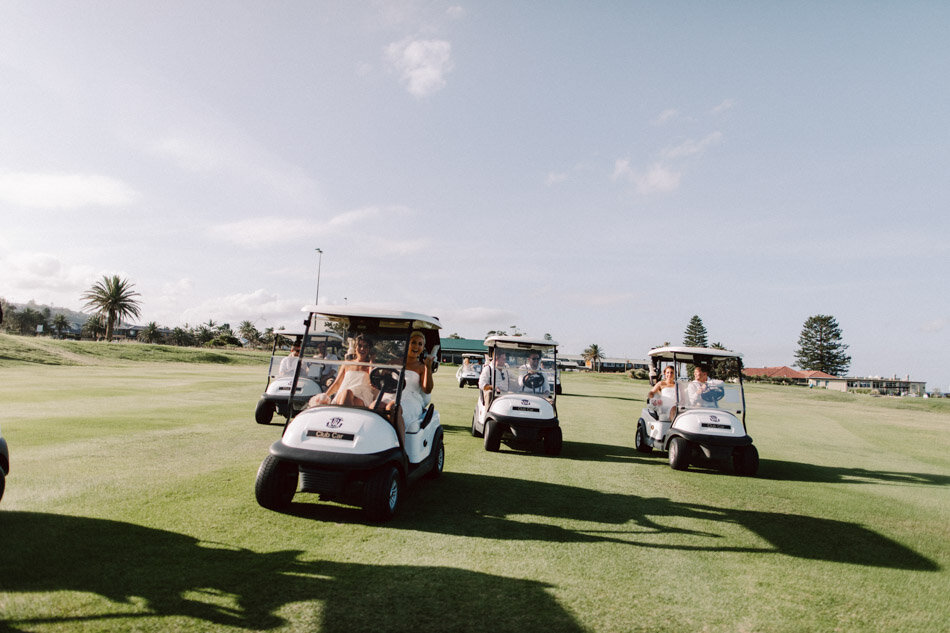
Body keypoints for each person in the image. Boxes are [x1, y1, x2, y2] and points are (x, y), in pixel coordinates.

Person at [385, 330, 435, 446]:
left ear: (423, 348)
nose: (416, 346)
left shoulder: (422, 367)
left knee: (393, 408)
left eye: (420, 344)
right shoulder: (392, 362)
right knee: (374, 407)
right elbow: (381, 381)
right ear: (407, 344)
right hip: (390, 395)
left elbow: (427, 389)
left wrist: (428, 367)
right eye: (413, 342)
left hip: (410, 400)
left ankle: (401, 450)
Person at [308, 334, 377, 408]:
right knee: (347, 393)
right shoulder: (347, 363)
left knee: (348, 394)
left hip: (361, 396)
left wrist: (372, 361)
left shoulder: (370, 366)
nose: (362, 349)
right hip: (344, 394)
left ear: (369, 349)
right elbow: (337, 383)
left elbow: (372, 384)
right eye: (360, 346)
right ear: (355, 347)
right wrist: (325, 396)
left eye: (366, 347)